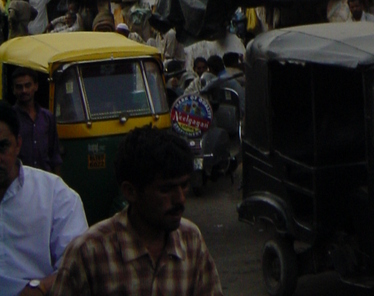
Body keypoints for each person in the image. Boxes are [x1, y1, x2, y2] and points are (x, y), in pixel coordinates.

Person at [49, 126, 223, 296]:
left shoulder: (191, 241)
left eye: (184, 186)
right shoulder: (90, 253)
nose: (180, 199)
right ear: (130, 191)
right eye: (165, 190)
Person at [0, 101, 87, 296]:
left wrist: (40, 287)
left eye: (2, 147)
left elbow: (77, 266)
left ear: (18, 145)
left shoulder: (56, 195)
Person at [12, 69, 61, 175]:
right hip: (20, 180)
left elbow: (55, 156)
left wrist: (57, 183)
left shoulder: (47, 117)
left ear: (36, 86)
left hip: (45, 179)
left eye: (27, 85)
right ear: (14, 90)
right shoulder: (10, 117)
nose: (24, 90)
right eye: (19, 87)